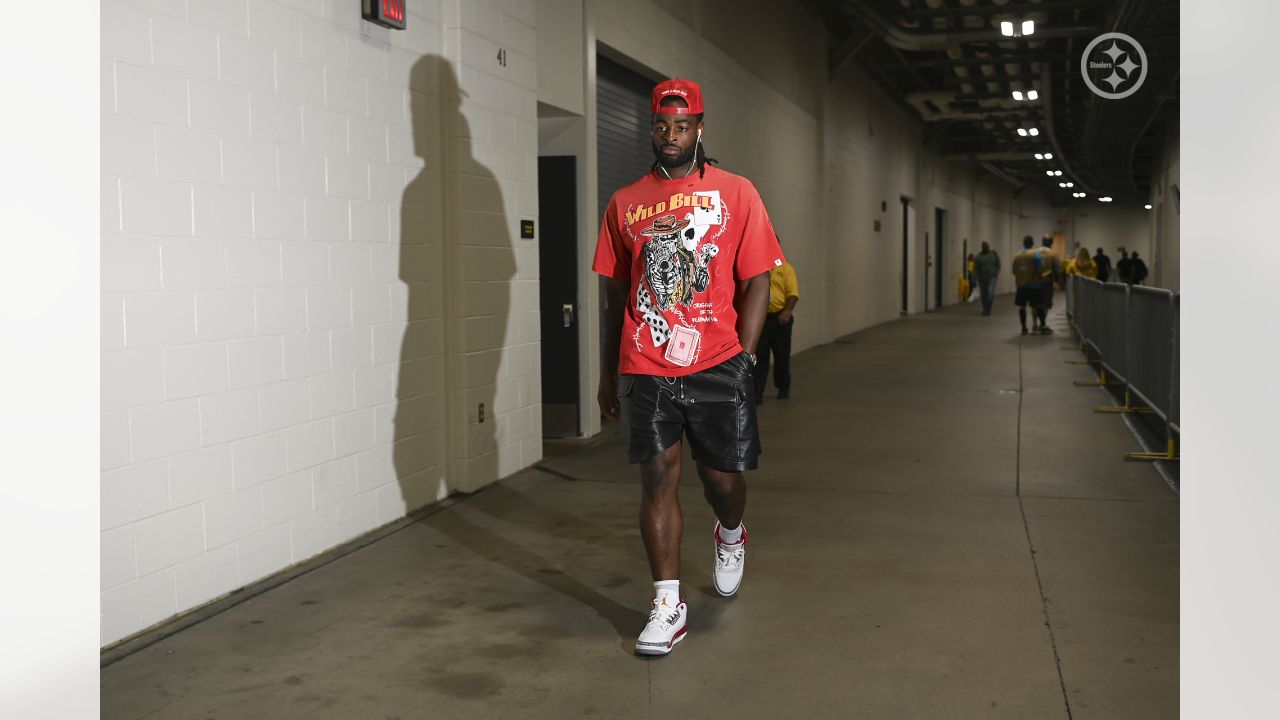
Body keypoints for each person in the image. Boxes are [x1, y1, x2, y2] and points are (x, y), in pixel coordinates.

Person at [593, 78, 783, 657]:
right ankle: (667, 602)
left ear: (699, 127)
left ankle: (730, 533)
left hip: (717, 361)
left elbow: (757, 279)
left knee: (720, 481)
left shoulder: (736, 192)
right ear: (651, 128)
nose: (670, 137)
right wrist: (608, 373)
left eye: (681, 126)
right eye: (661, 126)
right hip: (646, 362)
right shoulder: (625, 201)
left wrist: (746, 359)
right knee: (656, 477)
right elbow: (616, 295)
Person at [754, 245, 799, 403]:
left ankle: (783, 387)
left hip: (780, 319)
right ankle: (757, 392)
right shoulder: (757, 268)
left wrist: (788, 311)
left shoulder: (786, 268)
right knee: (759, 358)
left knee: (781, 356)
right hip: (762, 319)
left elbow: (793, 293)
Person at [1011, 235, 1041, 335]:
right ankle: (1035, 324)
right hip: (1033, 284)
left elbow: (1014, 271)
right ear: (1032, 244)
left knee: (1022, 306)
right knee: (1034, 306)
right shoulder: (1036, 254)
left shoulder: (1017, 255)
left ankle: (1024, 327)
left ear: (1023, 243)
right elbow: (1039, 268)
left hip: (1021, 285)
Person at [1033, 235, 1063, 334]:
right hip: (1047, 282)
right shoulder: (1053, 254)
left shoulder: (1035, 252)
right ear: (1051, 243)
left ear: (1042, 241)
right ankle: (1043, 324)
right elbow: (1058, 269)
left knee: (1036, 304)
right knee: (1045, 304)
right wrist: (1060, 283)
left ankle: (1035, 324)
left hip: (1035, 281)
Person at [974, 241, 1001, 315]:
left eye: (987, 247)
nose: (986, 248)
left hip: (992, 277)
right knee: (983, 295)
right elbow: (975, 269)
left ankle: (988, 309)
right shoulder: (978, 257)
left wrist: (996, 272)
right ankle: (985, 308)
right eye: (984, 247)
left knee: (990, 293)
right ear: (982, 248)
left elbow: (998, 264)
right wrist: (973, 280)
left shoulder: (993, 254)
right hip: (982, 279)